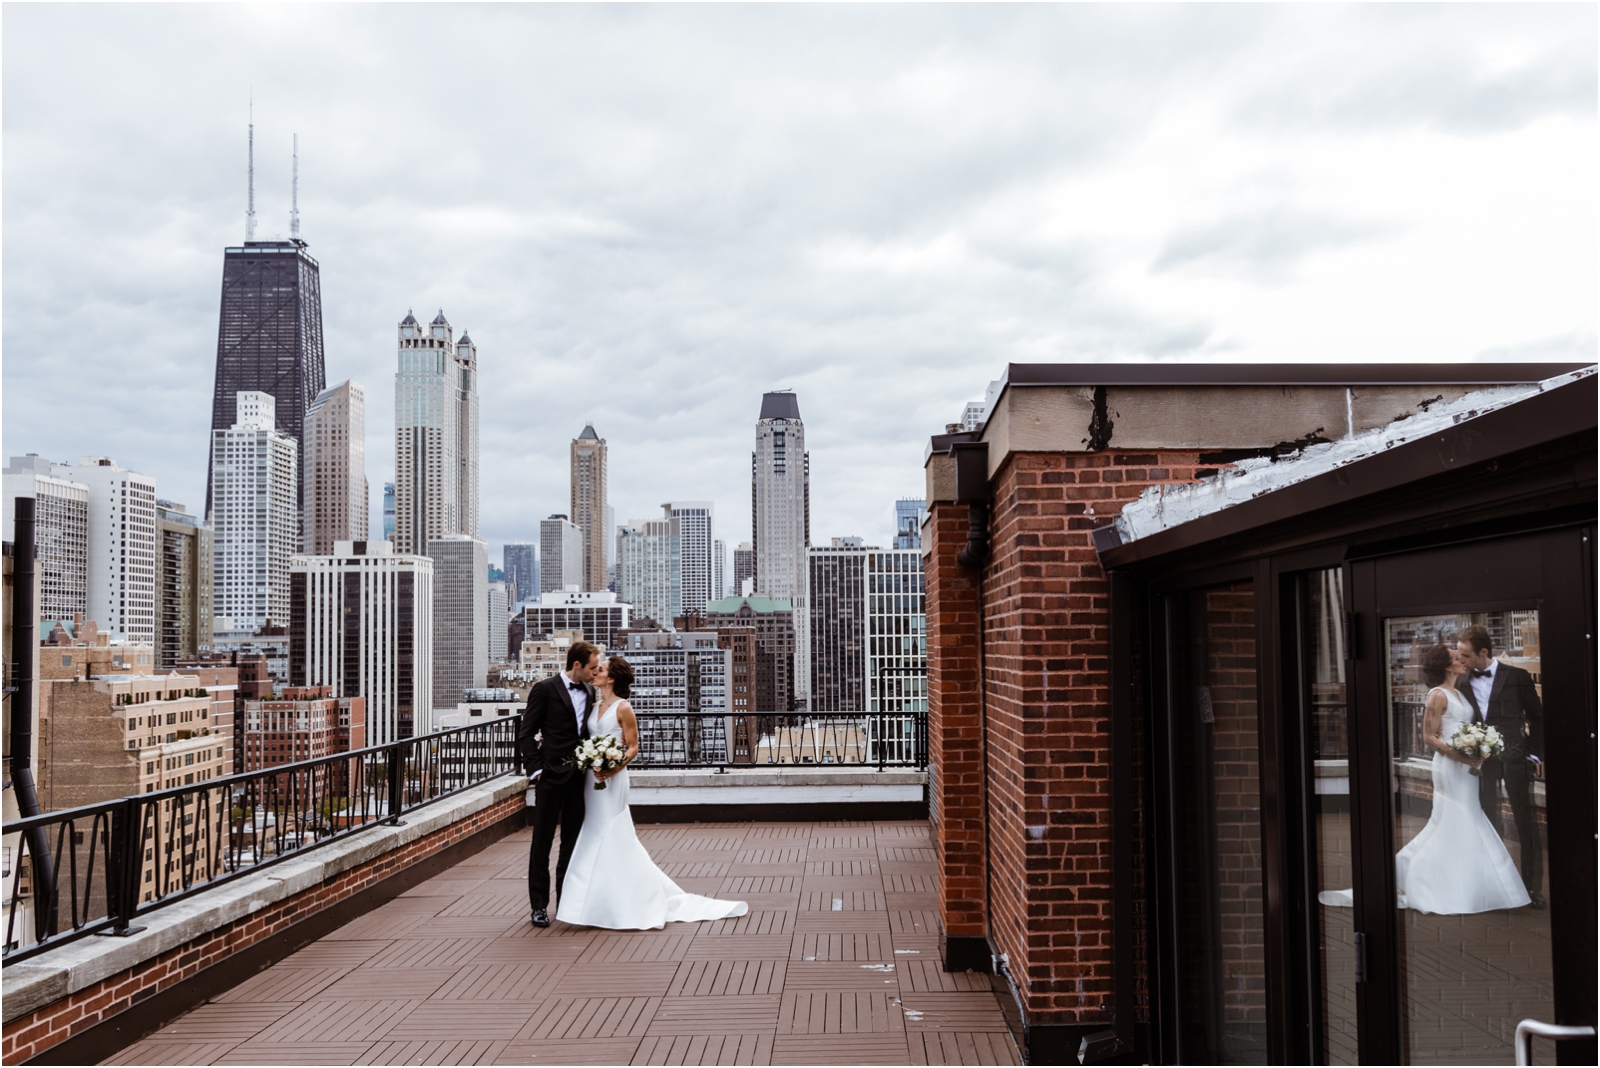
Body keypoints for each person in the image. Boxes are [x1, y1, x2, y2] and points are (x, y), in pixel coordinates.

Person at [1322, 643, 1529, 914]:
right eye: (1456, 658)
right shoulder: (1438, 695)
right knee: (1461, 816)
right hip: (1451, 766)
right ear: (1446, 666)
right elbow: (1429, 737)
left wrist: (1480, 747)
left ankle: (1456, 881)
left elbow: (1463, 725)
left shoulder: (1458, 690)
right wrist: (1461, 755)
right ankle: (1435, 883)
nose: (1462, 661)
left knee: (1460, 818)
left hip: (1467, 765)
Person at [555, 655, 748, 929]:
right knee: (593, 833)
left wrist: (613, 766)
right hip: (591, 779)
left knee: (613, 833)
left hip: (613, 779)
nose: (596, 672)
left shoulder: (623, 708)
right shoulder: (593, 705)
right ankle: (594, 904)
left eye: (602, 669)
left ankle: (627, 901)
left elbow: (633, 747)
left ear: (611, 678)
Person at [1457, 624, 1546, 908]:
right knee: (1487, 822)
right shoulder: (1462, 682)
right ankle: (1495, 888)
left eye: (1466, 656)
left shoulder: (1517, 677)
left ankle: (1532, 890)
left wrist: (1533, 756)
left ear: (1483, 652)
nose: (1461, 662)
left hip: (1516, 760)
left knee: (1525, 824)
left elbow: (1537, 718)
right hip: (1482, 764)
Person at [517, 640, 600, 927]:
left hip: (579, 778)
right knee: (541, 844)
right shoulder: (544, 689)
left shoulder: (590, 690)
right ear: (576, 665)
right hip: (550, 777)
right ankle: (538, 906)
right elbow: (526, 734)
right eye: (591, 668)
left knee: (571, 844)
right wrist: (536, 770)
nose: (595, 672)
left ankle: (566, 902)